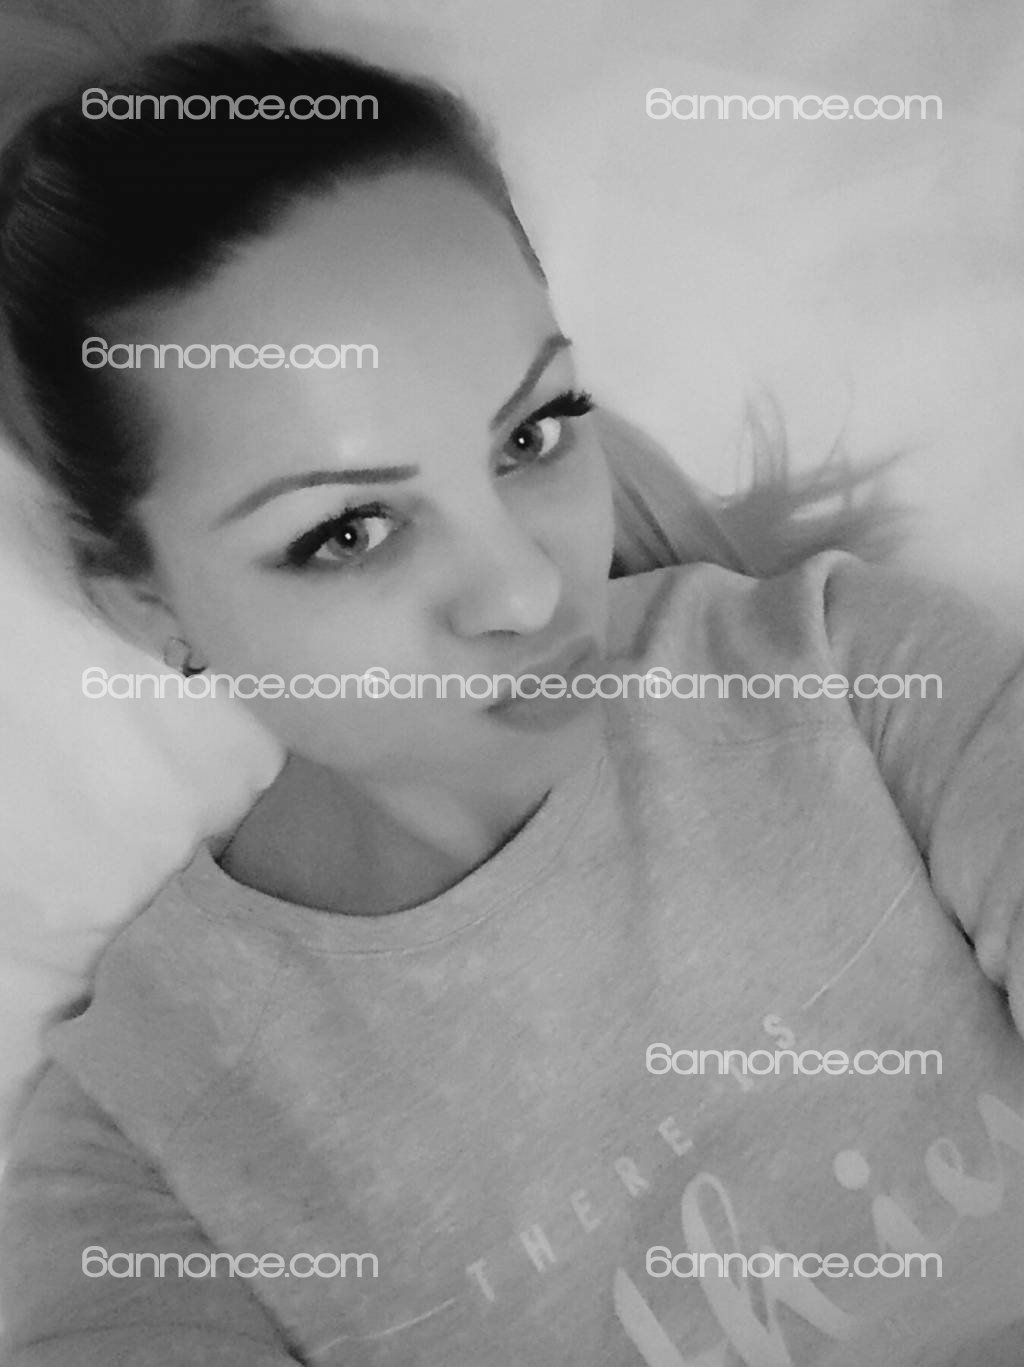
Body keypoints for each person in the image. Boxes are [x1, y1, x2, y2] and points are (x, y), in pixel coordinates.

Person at [0, 8, 1023, 1366]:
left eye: (532, 435)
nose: (530, 594)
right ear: (149, 607)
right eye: (348, 531)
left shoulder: (852, 676)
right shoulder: (148, 1151)